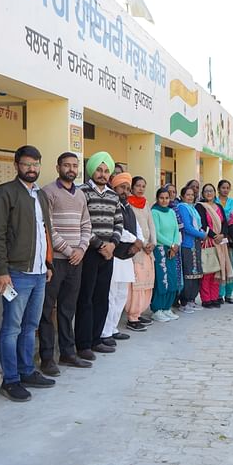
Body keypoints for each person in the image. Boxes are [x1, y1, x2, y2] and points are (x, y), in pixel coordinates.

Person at [0, 145, 56, 402]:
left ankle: (27, 371)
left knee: (30, 326)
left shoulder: (40, 196)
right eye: (27, 164)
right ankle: (11, 379)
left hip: (39, 273)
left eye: (36, 164)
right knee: (11, 327)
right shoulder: (3, 193)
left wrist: (48, 265)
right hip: (15, 273)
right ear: (16, 165)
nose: (32, 169)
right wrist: (1, 271)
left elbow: (45, 233)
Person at [38, 153, 93, 377]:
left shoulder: (80, 194)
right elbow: (48, 228)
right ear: (58, 166)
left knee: (67, 309)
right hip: (56, 261)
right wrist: (70, 251)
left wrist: (81, 249)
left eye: (74, 165)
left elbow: (86, 224)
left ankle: (68, 353)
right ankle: (47, 358)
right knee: (47, 310)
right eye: (66, 165)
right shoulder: (48, 192)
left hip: (76, 261)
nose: (71, 169)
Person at [76, 151, 124, 359]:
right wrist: (99, 245)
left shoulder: (114, 195)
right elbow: (81, 222)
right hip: (89, 252)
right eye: (99, 170)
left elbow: (118, 222)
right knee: (85, 297)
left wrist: (112, 244)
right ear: (91, 170)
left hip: (108, 253)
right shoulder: (82, 192)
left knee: (102, 297)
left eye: (106, 171)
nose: (103, 174)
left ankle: (97, 339)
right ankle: (83, 344)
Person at [101, 172, 144, 343]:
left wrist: (140, 241)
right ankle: (104, 332)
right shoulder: (112, 204)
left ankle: (113, 328)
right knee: (110, 296)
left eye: (127, 188)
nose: (125, 191)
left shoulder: (128, 206)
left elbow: (137, 228)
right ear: (114, 187)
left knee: (121, 295)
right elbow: (116, 228)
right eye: (122, 187)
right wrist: (135, 240)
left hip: (127, 257)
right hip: (115, 256)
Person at [125, 176, 157, 332]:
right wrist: (144, 244)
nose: (141, 189)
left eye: (143, 186)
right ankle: (132, 316)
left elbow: (151, 224)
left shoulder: (146, 203)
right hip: (137, 250)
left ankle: (139, 313)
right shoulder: (128, 204)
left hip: (148, 251)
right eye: (137, 186)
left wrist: (153, 243)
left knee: (147, 283)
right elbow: (133, 227)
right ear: (131, 187)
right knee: (136, 285)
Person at [196, 184, 233, 308]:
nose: (209, 193)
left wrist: (222, 234)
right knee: (208, 270)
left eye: (211, 191)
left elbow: (224, 223)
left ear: (214, 193)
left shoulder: (218, 206)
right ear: (202, 193)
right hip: (208, 241)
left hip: (220, 242)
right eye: (206, 191)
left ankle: (214, 297)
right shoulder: (200, 206)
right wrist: (214, 236)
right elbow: (202, 223)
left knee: (217, 270)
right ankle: (206, 299)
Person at [150, 187, 182, 322]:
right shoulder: (154, 212)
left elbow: (176, 229)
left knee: (172, 279)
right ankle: (157, 309)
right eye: (161, 198)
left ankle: (167, 308)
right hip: (161, 249)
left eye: (167, 198)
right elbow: (156, 233)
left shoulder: (171, 212)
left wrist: (175, 245)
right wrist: (171, 244)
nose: (164, 201)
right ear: (157, 199)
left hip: (172, 250)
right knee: (162, 280)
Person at [177, 185, 206, 312]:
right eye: (187, 195)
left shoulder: (192, 208)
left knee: (196, 273)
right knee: (189, 273)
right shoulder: (182, 207)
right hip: (187, 244)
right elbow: (187, 228)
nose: (190, 197)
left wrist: (201, 232)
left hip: (196, 244)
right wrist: (202, 234)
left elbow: (197, 225)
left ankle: (192, 300)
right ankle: (184, 301)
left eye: (192, 195)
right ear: (182, 196)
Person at [216, 179, 233, 304]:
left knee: (231, 266)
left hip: (231, 239)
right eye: (223, 187)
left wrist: (231, 236)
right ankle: (219, 294)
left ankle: (229, 294)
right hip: (217, 239)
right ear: (218, 189)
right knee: (220, 266)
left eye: (227, 187)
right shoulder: (214, 202)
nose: (225, 190)